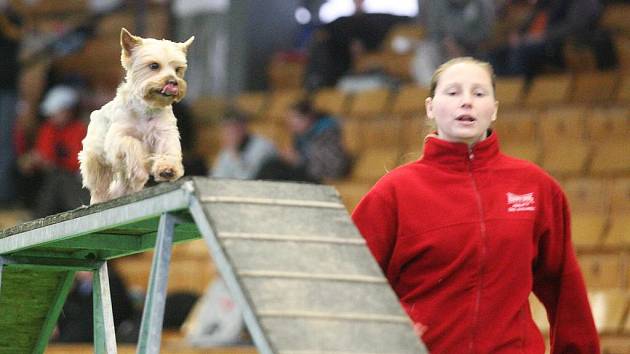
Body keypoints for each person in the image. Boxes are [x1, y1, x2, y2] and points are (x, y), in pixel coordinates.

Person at [351, 57, 599, 353]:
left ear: (494, 109)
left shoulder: (536, 187)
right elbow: (349, 287)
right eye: (453, 93)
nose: (466, 102)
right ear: (430, 107)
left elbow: (565, 291)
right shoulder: (392, 193)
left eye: (479, 93)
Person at [18, 85, 89, 217]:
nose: (51, 116)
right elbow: (44, 153)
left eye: (56, 112)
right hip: (52, 177)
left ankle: (37, 219)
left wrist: (51, 163)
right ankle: (28, 212)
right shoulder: (48, 129)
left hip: (76, 183)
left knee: (58, 178)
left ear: (68, 111)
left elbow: (78, 165)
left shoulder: (80, 130)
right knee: (25, 171)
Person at [256, 100, 351, 183]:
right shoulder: (301, 135)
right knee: (272, 165)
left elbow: (331, 167)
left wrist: (299, 161)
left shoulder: (327, 133)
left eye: (294, 118)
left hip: (323, 177)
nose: (290, 123)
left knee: (275, 170)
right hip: (306, 172)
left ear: (308, 118)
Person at [211, 108, 277, 180]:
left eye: (233, 127)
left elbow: (248, 179)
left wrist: (234, 154)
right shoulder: (228, 149)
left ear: (243, 126)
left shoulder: (263, 146)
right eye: (225, 128)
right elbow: (216, 176)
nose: (228, 133)